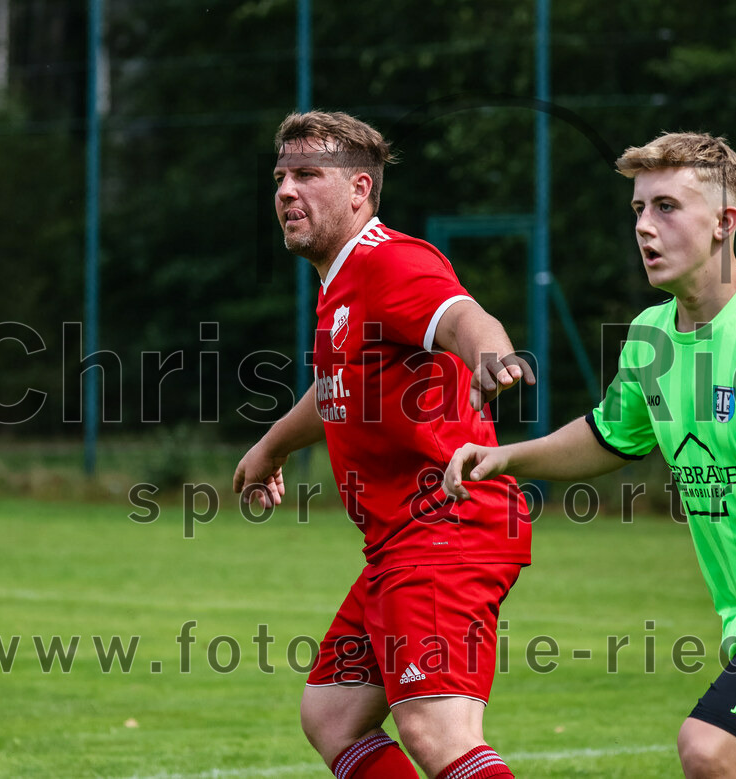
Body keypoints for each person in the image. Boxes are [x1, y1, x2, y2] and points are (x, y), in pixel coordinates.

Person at [443, 132, 736, 778]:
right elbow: (609, 435)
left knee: (709, 748)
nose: (645, 226)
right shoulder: (650, 338)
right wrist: (505, 458)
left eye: (667, 207)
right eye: (639, 209)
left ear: (726, 221)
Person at [234, 110, 534, 779]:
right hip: (400, 539)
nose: (286, 190)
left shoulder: (390, 261)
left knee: (437, 730)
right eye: (280, 176)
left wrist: (491, 354)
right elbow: (337, 389)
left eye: (307, 174)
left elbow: (463, 315)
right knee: (333, 713)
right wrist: (272, 447)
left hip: (447, 526)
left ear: (359, 189)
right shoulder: (339, 283)